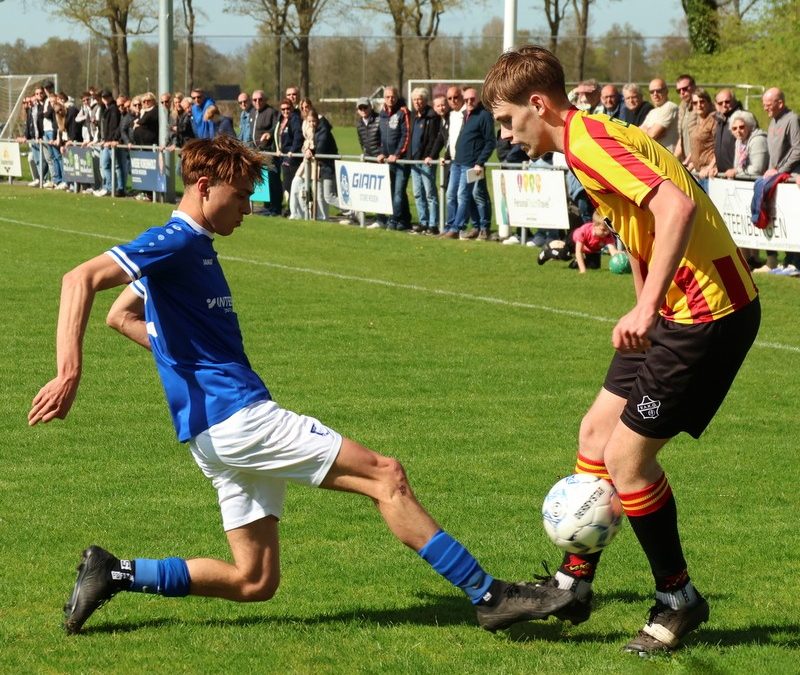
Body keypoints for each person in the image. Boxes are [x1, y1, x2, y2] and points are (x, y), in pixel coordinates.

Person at [28, 135, 572, 635]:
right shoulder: (174, 240)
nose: (247, 208)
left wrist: (183, 353)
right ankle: (490, 595)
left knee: (255, 580)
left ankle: (114, 573)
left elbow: (121, 315)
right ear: (203, 187)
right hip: (239, 418)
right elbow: (81, 279)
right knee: (386, 476)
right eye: (240, 196)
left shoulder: (186, 251)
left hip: (211, 434)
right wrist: (69, 372)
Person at [483, 45, 760, 655]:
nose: (505, 134)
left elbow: (676, 206)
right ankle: (573, 582)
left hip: (708, 313)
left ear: (538, 104)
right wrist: (642, 303)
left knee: (629, 462)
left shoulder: (588, 144)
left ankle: (678, 599)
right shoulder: (586, 142)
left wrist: (646, 305)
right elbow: (643, 225)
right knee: (593, 438)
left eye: (507, 121)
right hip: (669, 312)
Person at [450, 87, 495, 241]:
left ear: (478, 99)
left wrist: (480, 162)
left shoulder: (484, 115)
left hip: (473, 164)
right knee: (462, 196)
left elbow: (490, 142)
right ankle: (475, 227)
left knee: (477, 195)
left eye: (472, 99)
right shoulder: (466, 114)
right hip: (459, 162)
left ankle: (483, 228)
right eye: (467, 99)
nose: (469, 102)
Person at [377, 86, 412, 231]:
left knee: (398, 192)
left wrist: (397, 154)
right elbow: (381, 136)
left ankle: (393, 219)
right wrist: (382, 153)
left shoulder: (403, 112)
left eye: (393, 97)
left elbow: (407, 135)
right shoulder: (382, 113)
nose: (390, 99)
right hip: (388, 161)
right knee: (396, 192)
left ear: (397, 97)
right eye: (387, 97)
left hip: (401, 161)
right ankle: (405, 220)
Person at [408, 87, 441, 235]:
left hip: (426, 161)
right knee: (417, 193)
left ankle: (433, 224)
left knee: (430, 194)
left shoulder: (432, 116)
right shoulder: (413, 115)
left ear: (425, 100)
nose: (417, 102)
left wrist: (430, 155)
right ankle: (423, 221)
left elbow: (434, 139)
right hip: (413, 161)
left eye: (419, 99)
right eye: (415, 99)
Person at [684, 88, 717, 189]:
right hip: (698, 173)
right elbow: (696, 146)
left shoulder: (713, 120)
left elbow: (719, 147)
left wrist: (710, 167)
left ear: (708, 102)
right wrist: (688, 162)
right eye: (695, 103)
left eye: (702, 101)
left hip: (709, 174)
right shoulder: (698, 121)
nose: (698, 105)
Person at [723, 110, 767, 179]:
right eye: (734, 128)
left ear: (749, 126)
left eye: (741, 127)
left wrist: (737, 171)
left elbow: (757, 169)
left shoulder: (758, 140)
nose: (738, 131)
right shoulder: (739, 141)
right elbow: (737, 166)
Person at [640, 78, 679, 152]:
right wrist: (650, 131)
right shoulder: (652, 112)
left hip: (669, 158)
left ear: (666, 91)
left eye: (659, 91)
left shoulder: (670, 106)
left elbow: (652, 135)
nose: (655, 94)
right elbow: (638, 133)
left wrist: (648, 130)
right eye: (652, 92)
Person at [673, 74, 697, 166]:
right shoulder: (682, 107)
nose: (682, 92)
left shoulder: (701, 106)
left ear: (694, 87)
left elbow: (703, 139)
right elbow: (681, 138)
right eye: (678, 91)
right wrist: (673, 160)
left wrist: (689, 160)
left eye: (685, 89)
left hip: (698, 163)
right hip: (687, 162)